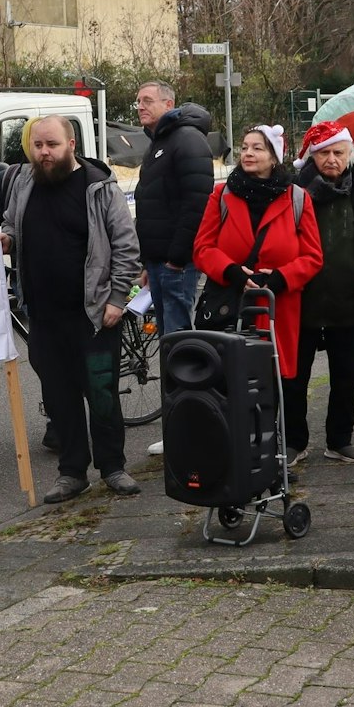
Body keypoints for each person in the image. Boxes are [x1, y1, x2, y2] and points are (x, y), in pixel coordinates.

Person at [0, 116, 143, 503]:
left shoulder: (98, 187)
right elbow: (12, 223)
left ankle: (113, 467)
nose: (44, 153)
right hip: (44, 318)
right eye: (38, 146)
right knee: (60, 398)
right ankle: (72, 473)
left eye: (52, 145)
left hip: (94, 317)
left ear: (71, 145)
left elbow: (126, 247)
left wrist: (117, 300)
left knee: (101, 395)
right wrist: (7, 238)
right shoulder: (24, 182)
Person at [192, 124, 323, 398]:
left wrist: (280, 278)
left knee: (273, 385)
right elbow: (202, 248)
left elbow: (313, 257)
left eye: (257, 148)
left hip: (278, 308)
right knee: (229, 382)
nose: (248, 153)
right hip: (231, 303)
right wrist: (232, 272)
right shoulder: (222, 195)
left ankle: (272, 439)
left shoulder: (298, 198)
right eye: (245, 147)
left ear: (274, 157)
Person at [284, 122, 354, 465]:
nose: (331, 159)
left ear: (349, 155)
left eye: (338, 152)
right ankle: (294, 442)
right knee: (294, 378)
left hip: (347, 298)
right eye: (324, 152)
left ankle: (340, 440)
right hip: (302, 300)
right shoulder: (294, 192)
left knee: (347, 377)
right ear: (312, 156)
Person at [130, 81, 214, 459]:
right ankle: (180, 424)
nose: (139, 106)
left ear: (169, 102)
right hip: (160, 264)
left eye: (147, 100)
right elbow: (156, 207)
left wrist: (177, 258)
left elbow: (196, 205)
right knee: (170, 344)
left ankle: (186, 427)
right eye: (137, 101)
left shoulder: (186, 141)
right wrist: (148, 261)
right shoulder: (159, 142)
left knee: (178, 345)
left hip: (176, 265)